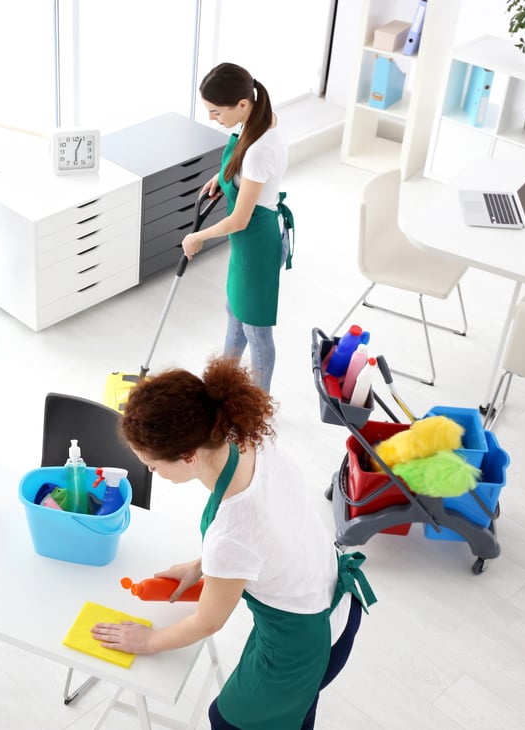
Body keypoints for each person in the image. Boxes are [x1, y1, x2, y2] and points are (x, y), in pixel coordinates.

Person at [92, 358, 375, 730]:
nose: (150, 472)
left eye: (154, 466)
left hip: (308, 640)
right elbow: (266, 531)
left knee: (226, 721)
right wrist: (202, 565)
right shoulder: (250, 443)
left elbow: (208, 622)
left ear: (188, 456)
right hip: (336, 596)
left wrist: (148, 641)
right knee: (292, 713)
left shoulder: (230, 532)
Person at [181, 63, 293, 393]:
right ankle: (222, 385)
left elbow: (240, 219)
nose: (213, 118)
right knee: (235, 309)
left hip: (256, 244)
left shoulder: (260, 149)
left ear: (242, 104)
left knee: (257, 331)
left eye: (216, 112)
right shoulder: (258, 119)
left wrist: (197, 236)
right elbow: (246, 164)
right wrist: (225, 177)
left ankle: (257, 408)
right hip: (247, 242)